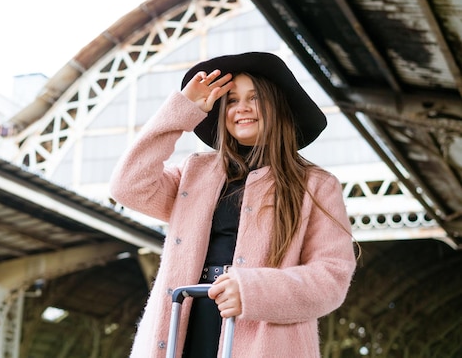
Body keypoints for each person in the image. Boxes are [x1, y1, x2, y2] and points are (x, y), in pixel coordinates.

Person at [109, 52, 356, 358]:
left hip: (265, 341)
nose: (242, 108)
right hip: (180, 327)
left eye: (254, 98)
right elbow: (128, 186)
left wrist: (254, 291)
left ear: (278, 107)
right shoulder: (194, 172)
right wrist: (183, 111)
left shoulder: (316, 184)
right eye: (232, 100)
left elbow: (331, 278)